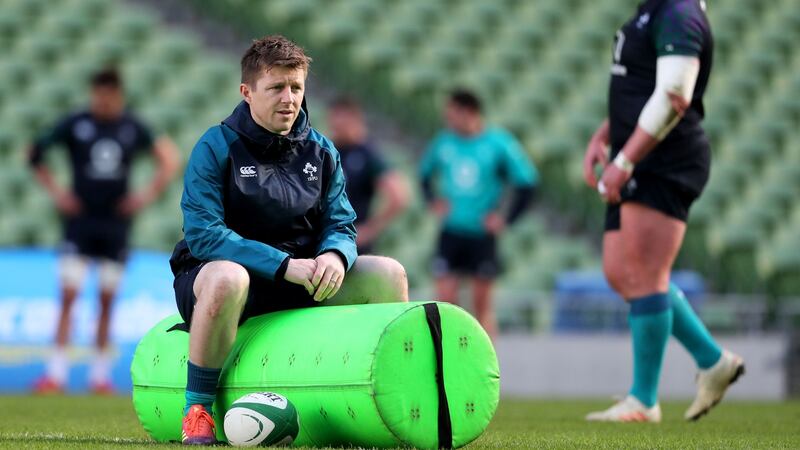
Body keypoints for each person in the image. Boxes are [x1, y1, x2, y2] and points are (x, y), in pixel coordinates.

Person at [170, 35, 408, 445]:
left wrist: (335, 255)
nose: (289, 98)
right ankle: (198, 408)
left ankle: (393, 400)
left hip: (301, 278)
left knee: (387, 272)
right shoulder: (215, 146)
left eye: (296, 87)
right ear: (247, 92)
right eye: (276, 87)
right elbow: (205, 236)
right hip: (224, 281)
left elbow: (342, 223)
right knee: (229, 277)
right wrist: (281, 265)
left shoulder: (321, 151)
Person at [583, 0, 744, 423]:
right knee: (621, 272)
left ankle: (643, 400)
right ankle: (713, 361)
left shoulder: (679, 12)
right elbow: (636, 83)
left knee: (647, 275)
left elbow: (674, 97)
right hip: (639, 151)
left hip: (665, 157)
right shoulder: (653, 10)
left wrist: (624, 162)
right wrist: (606, 134)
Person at [28, 68, 179, 394]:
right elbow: (34, 153)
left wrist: (143, 196)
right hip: (79, 223)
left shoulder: (131, 126)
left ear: (118, 95)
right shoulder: (76, 123)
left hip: (115, 225)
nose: (104, 101)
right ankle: (55, 373)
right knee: (68, 296)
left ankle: (99, 376)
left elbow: (168, 158)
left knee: (107, 299)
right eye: (99, 94)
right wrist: (59, 193)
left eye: (109, 94)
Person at [419, 89, 538, 339]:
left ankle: (486, 368)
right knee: (445, 301)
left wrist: (506, 219)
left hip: (482, 235)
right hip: (451, 231)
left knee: (482, 305)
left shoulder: (498, 144)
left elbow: (527, 183)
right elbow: (424, 175)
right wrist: (433, 202)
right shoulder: (445, 142)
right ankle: (450, 360)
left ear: (469, 112)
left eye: (452, 115)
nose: (448, 121)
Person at [327, 97, 410, 254]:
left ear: (354, 120)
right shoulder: (330, 150)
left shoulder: (368, 154)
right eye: (333, 122)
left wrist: (369, 230)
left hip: (354, 243)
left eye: (341, 123)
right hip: (329, 237)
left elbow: (398, 197)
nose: (335, 126)